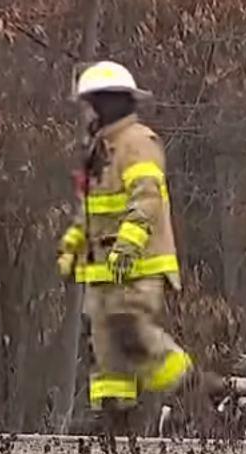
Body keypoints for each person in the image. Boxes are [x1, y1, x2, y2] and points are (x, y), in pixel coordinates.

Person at [56, 60, 194, 423]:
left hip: (137, 265)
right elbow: (90, 211)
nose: (86, 111)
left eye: (90, 103)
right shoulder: (100, 151)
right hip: (103, 270)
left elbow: (146, 196)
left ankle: (194, 391)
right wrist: (72, 248)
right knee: (106, 351)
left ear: (106, 103)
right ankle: (114, 423)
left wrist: (128, 246)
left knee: (128, 328)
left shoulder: (137, 143)